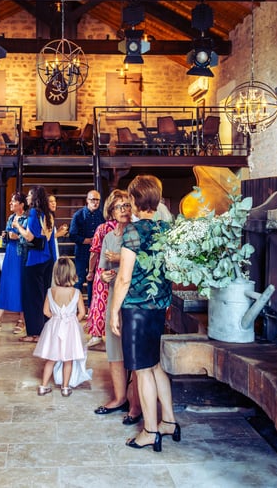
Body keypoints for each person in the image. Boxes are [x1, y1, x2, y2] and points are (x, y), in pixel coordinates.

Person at [110, 175, 178, 453]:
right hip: (159, 306)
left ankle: (150, 430)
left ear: (136, 201)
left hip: (137, 309)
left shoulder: (133, 232)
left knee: (142, 370)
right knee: (155, 365)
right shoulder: (166, 229)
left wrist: (114, 311)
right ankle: (169, 422)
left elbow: (124, 278)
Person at [93, 189, 141, 423]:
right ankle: (120, 398)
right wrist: (104, 276)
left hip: (134, 297)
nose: (124, 210)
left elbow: (142, 263)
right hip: (114, 296)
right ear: (111, 211)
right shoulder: (109, 237)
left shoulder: (138, 232)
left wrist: (120, 259)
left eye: (127, 205)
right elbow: (103, 268)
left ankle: (137, 405)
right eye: (119, 207)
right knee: (114, 349)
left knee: (135, 352)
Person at [33, 257, 87, 397]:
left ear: (55, 274)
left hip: (54, 327)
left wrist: (57, 318)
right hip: (70, 328)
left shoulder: (50, 291)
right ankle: (65, 387)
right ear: (72, 273)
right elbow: (82, 313)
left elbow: (45, 311)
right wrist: (71, 320)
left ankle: (43, 386)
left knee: (51, 358)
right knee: (68, 359)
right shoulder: (76, 293)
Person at [0, 191, 26, 335]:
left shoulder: (27, 218)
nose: (10, 203)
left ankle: (22, 319)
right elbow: (9, 235)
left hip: (21, 255)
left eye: (13, 201)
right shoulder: (11, 217)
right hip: (10, 254)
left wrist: (16, 236)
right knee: (5, 285)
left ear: (21, 204)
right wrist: (6, 236)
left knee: (21, 286)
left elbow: (30, 238)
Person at [14, 186, 53, 343]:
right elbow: (48, 237)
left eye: (30, 195)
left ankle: (34, 334)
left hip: (34, 259)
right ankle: (44, 331)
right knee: (43, 296)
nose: (27, 197)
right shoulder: (47, 214)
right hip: (47, 258)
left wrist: (18, 227)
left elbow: (29, 237)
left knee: (32, 298)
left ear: (35, 197)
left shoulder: (33, 213)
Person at [84, 190, 122, 348]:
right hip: (122, 269)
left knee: (100, 301)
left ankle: (97, 335)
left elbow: (94, 253)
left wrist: (90, 271)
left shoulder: (102, 228)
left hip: (103, 269)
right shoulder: (128, 228)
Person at [68, 189, 105, 305]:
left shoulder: (101, 216)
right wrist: (88, 240)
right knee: (79, 280)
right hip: (82, 253)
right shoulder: (78, 215)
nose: (95, 202)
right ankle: (74, 307)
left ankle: (91, 308)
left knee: (93, 282)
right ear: (87, 200)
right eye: (93, 199)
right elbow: (72, 235)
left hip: (97, 254)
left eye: (97, 200)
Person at [47, 195, 69, 260]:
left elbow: (50, 233)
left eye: (54, 201)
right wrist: (59, 234)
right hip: (48, 247)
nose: (53, 203)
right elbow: (46, 236)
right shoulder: (46, 217)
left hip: (52, 245)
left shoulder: (50, 215)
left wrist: (59, 230)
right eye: (51, 201)